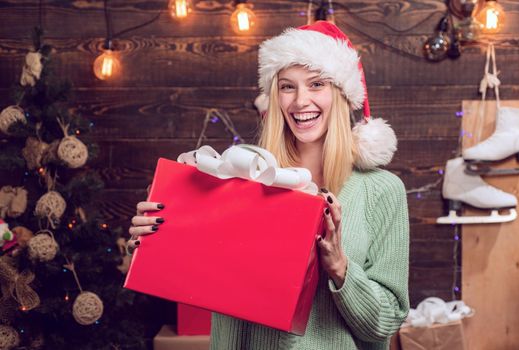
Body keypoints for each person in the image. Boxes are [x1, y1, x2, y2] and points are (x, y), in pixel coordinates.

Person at [129, 21, 409, 350]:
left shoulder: (382, 191)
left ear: (341, 94)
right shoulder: (241, 179)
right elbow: (205, 278)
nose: (300, 101)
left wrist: (339, 267)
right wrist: (162, 239)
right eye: (288, 86)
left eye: (316, 83)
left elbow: (386, 323)